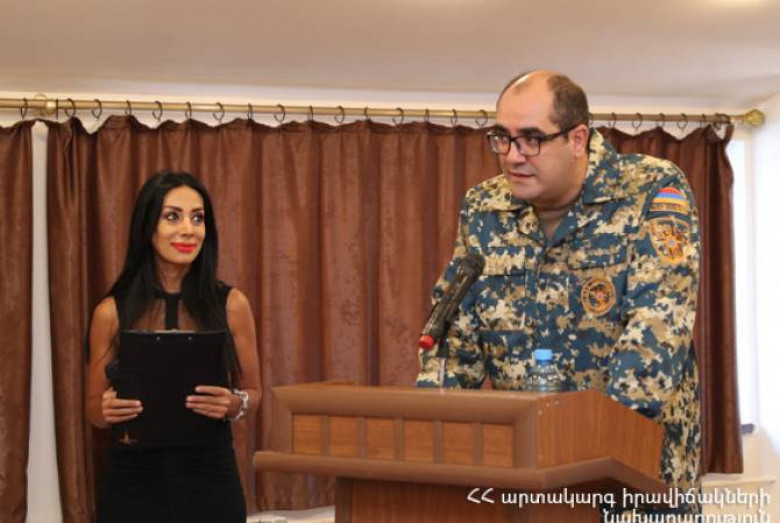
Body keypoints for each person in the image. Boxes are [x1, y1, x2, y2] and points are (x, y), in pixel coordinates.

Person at [416, 71, 701, 518]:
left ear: (577, 138)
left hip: (635, 478)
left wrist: (585, 447)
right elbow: (457, 342)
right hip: (527, 480)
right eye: (502, 138)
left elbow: (658, 329)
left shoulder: (650, 188)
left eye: (531, 139)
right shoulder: (484, 208)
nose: (512, 156)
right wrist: (430, 433)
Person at [86, 171, 261, 523]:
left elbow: (254, 393)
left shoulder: (232, 305)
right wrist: (105, 410)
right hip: (132, 478)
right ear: (147, 226)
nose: (188, 230)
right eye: (172, 217)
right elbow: (92, 410)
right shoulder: (111, 312)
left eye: (197, 218)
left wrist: (234, 403)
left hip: (210, 473)